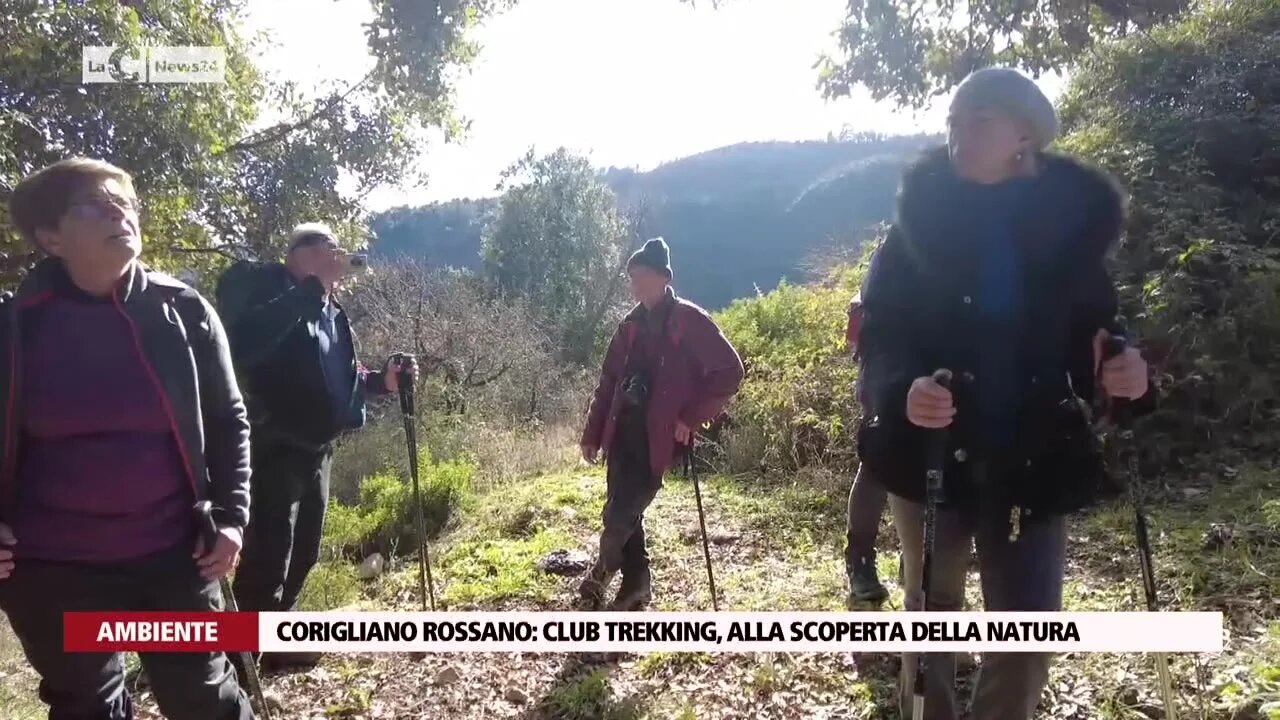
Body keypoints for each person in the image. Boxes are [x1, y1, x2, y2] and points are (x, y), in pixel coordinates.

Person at [855, 67, 1156, 720]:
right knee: (931, 623)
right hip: (930, 452)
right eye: (954, 122)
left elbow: (1098, 332)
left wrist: (1123, 371)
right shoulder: (914, 233)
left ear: (1024, 135)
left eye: (979, 121)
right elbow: (880, 332)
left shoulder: (1067, 234)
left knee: (1026, 636)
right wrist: (902, 389)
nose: (960, 134)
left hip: (1034, 456)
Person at [0, 157, 253, 718]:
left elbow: (227, 417)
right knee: (86, 705)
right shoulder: (16, 327)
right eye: (97, 203)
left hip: (172, 554)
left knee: (203, 696)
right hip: (52, 567)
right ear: (50, 237)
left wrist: (233, 517)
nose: (121, 212)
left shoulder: (182, 312)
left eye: (126, 202)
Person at [217, 223, 415, 669]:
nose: (338, 260)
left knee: (303, 553)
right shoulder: (264, 287)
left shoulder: (332, 311)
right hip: (272, 446)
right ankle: (238, 661)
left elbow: (342, 380)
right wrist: (309, 291)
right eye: (329, 250)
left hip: (317, 449)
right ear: (299, 253)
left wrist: (382, 383)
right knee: (267, 559)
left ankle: (275, 642)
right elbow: (242, 344)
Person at [579, 237, 745, 611]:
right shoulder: (629, 327)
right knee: (624, 508)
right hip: (622, 430)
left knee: (621, 512)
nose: (634, 284)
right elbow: (607, 383)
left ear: (663, 277)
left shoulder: (688, 320)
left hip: (659, 436)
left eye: (640, 275)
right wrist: (592, 434)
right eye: (631, 276)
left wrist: (691, 416)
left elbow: (730, 372)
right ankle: (637, 585)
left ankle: (601, 571)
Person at [843, 294, 892, 606]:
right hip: (885, 378)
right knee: (876, 466)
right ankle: (860, 562)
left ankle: (919, 566)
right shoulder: (893, 255)